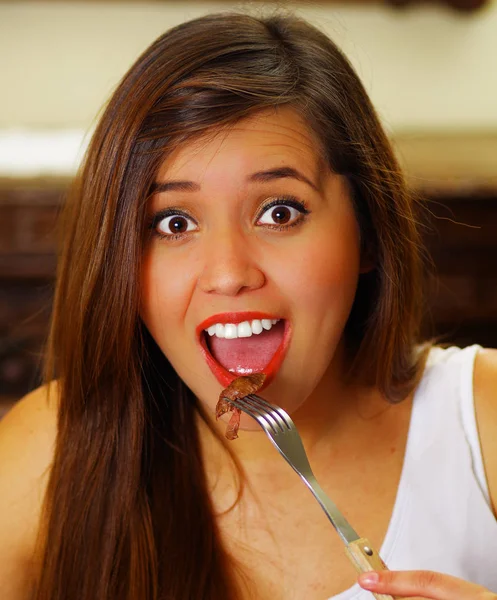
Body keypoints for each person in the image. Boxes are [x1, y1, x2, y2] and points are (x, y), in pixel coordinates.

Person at [0, 11, 496, 600]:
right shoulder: (50, 454)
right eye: (174, 222)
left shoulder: (481, 421)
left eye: (279, 212)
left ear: (366, 230)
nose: (230, 274)